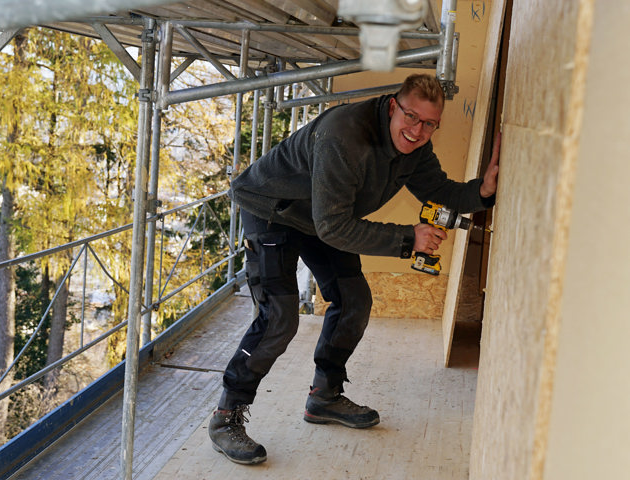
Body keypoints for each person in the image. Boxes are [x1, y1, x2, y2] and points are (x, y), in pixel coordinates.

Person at [208, 73, 500, 465]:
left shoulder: (414, 147)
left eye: (430, 124)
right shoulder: (344, 136)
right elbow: (334, 228)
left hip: (322, 215)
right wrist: (406, 239)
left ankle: (324, 396)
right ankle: (226, 417)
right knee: (279, 315)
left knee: (354, 300)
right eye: (411, 117)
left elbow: (440, 191)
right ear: (393, 106)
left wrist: (482, 191)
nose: (417, 131)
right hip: (273, 209)